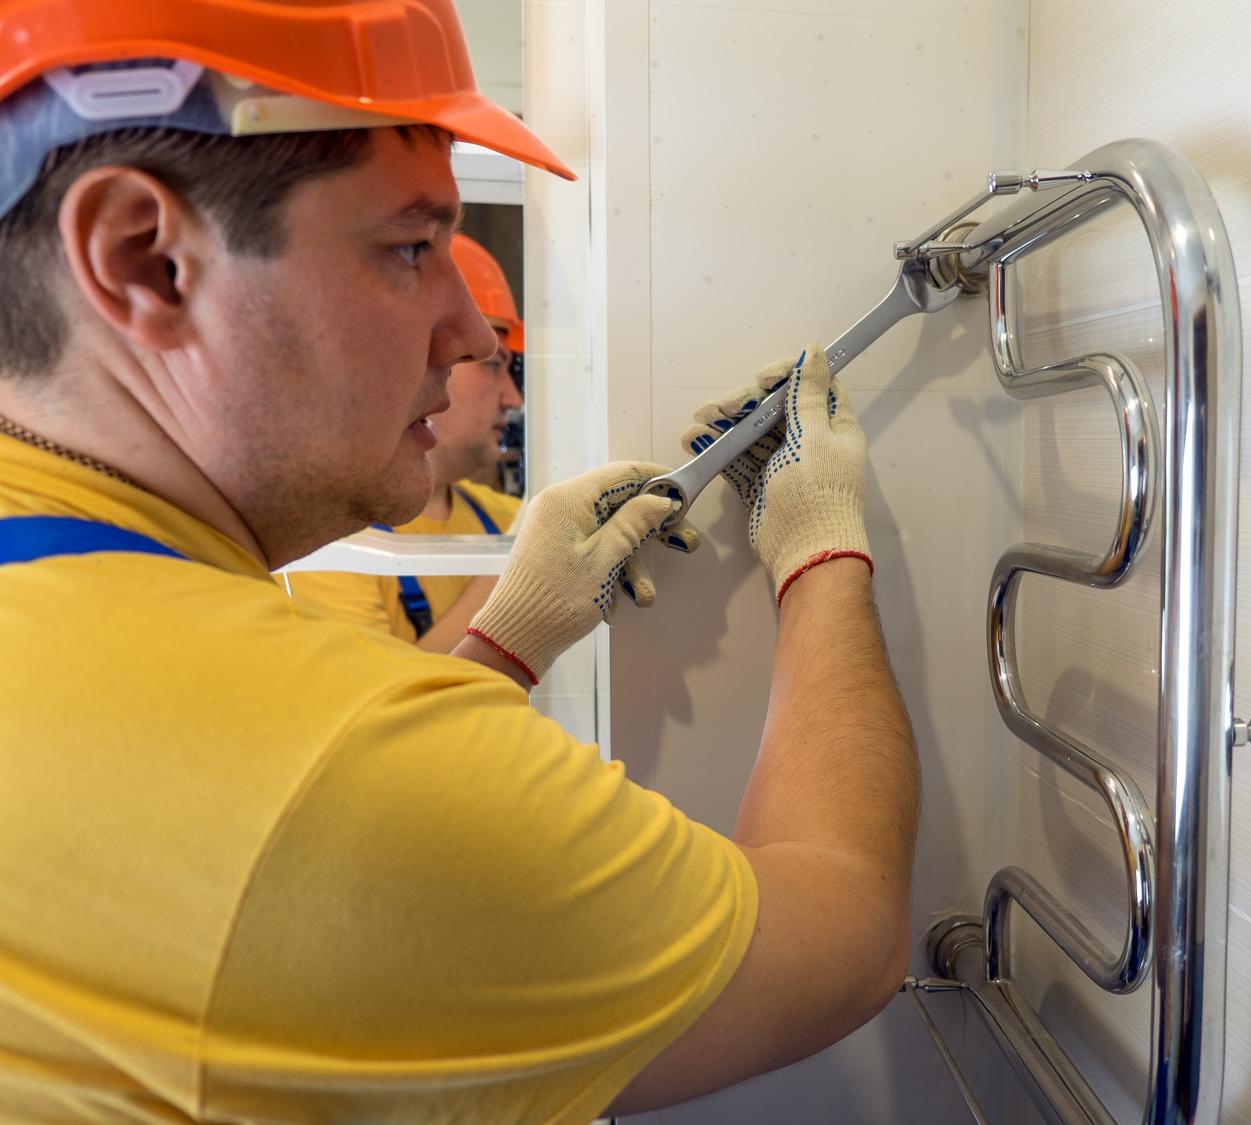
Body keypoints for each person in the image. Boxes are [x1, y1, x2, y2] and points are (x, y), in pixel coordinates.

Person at [0, 4, 918, 1124]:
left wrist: (502, 638)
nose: (476, 335)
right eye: (409, 248)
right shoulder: (316, 773)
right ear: (143, 259)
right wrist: (818, 544)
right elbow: (844, 940)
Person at [283, 232, 612, 654]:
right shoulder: (328, 537)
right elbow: (383, 713)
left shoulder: (505, 515)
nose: (513, 398)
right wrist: (523, 571)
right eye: (494, 366)